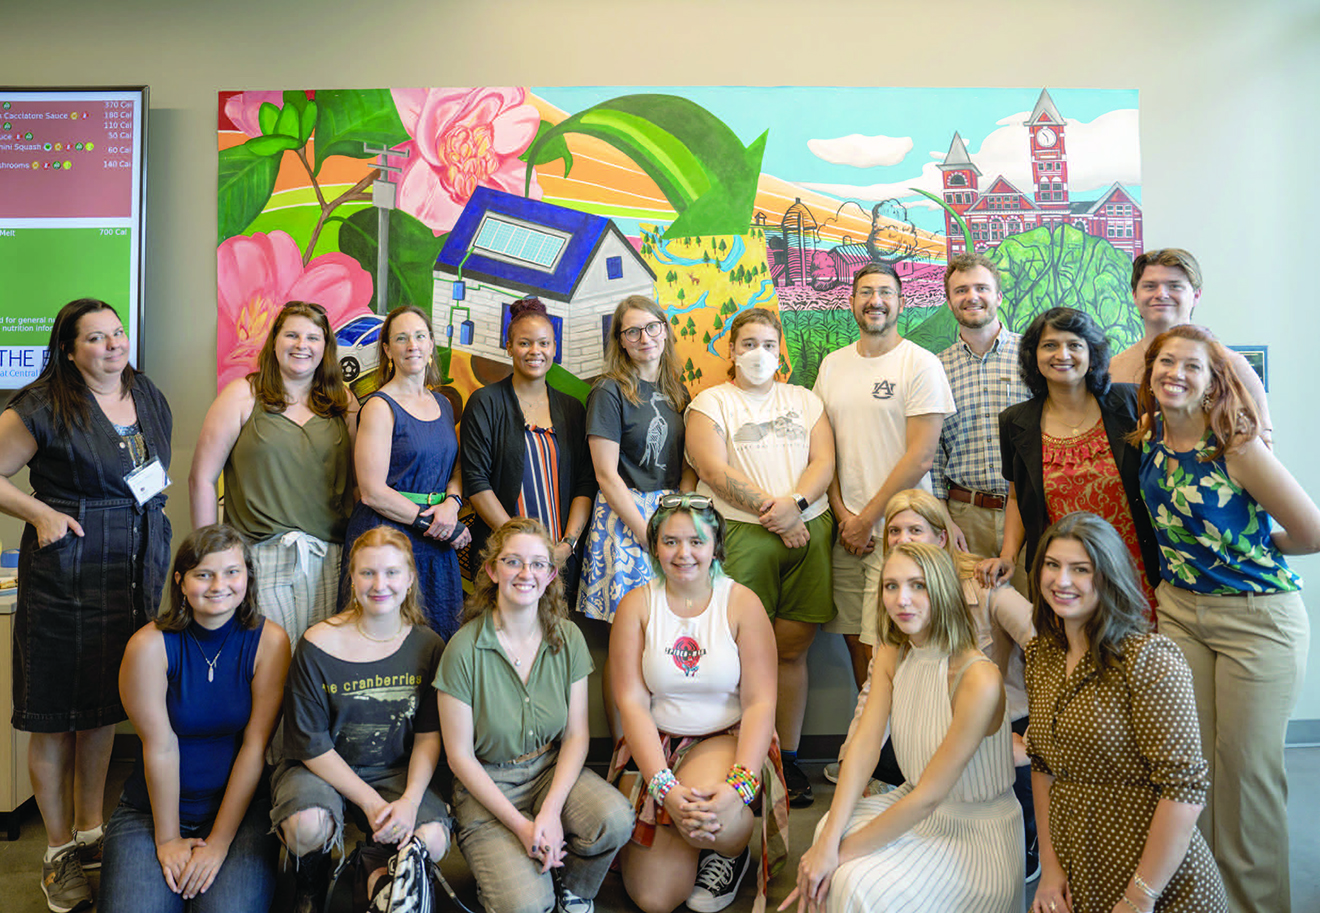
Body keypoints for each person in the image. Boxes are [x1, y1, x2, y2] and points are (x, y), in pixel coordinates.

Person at [1130, 325, 1320, 913]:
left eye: (1192, 366)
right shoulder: (1150, 437)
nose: (1176, 374)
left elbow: (1311, 533)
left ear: (1215, 382)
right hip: (1183, 613)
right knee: (1195, 769)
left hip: (1256, 619)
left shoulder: (1239, 449)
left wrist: (1249, 549)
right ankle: (1207, 901)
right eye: (1166, 362)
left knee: (1247, 777)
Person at [0, 298, 173, 913]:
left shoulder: (143, 391)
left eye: (118, 333)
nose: (112, 345)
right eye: (96, 338)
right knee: (54, 713)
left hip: (133, 568)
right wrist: (41, 512)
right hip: (67, 569)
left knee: (101, 707)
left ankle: (92, 828)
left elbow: (155, 474)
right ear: (69, 351)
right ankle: (56, 853)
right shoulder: (41, 406)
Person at [786, 542, 1023, 913]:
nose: (902, 599)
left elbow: (930, 795)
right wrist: (828, 843)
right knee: (826, 831)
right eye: (891, 586)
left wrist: (835, 857)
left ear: (942, 590)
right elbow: (864, 748)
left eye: (918, 585)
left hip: (974, 836)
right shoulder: (894, 653)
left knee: (852, 880)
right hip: (916, 806)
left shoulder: (978, 676)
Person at [1025, 511, 1227, 913]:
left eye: (1080, 569)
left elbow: (1183, 791)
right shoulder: (1041, 656)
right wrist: (1049, 869)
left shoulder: (1149, 660)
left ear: (1109, 576)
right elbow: (1043, 766)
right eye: (1052, 565)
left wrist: (1139, 897)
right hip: (1076, 866)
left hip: (1157, 877)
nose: (1061, 581)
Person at [834, 490, 1038, 879]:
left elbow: (1049, 652)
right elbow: (872, 697)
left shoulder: (984, 584)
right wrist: (850, 760)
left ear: (942, 538)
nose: (904, 539)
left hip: (999, 728)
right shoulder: (896, 603)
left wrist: (1033, 739)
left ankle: (1026, 838)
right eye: (894, 531)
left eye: (916, 529)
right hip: (932, 725)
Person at [436, 518, 633, 913]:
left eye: (538, 564)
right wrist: (524, 826)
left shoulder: (567, 637)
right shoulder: (462, 649)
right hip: (487, 785)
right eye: (513, 562)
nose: (526, 573)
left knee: (615, 819)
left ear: (550, 575)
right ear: (492, 571)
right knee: (525, 906)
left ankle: (572, 887)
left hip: (546, 769)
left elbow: (577, 736)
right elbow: (459, 758)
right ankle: (517, 875)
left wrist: (549, 812)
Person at [685, 307, 835, 808]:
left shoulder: (806, 400)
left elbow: (823, 462)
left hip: (806, 528)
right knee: (734, 653)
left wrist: (797, 508)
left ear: (781, 353)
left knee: (791, 650)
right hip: (741, 532)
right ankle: (738, 761)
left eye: (768, 344)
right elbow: (710, 464)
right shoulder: (711, 402)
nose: (758, 353)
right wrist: (776, 511)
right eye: (748, 343)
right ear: (731, 351)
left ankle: (786, 760)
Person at [101, 524, 290, 913]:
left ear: (248, 578)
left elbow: (256, 748)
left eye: (232, 572)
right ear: (181, 582)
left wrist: (219, 843)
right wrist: (167, 840)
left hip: (237, 812)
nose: (219, 585)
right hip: (150, 811)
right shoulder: (149, 645)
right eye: (204, 574)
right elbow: (161, 746)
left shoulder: (270, 642)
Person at [609, 494, 782, 913]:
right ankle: (689, 837)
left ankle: (730, 851)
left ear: (716, 547)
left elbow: (761, 702)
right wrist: (662, 786)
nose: (683, 553)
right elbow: (631, 703)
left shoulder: (741, 602)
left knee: (711, 815)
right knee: (654, 899)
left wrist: (740, 786)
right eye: (670, 542)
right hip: (659, 742)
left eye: (696, 541)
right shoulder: (637, 604)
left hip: (726, 737)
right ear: (655, 548)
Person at [271, 526, 451, 913]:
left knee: (432, 838)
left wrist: (409, 801)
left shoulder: (428, 645)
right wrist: (370, 803)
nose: (379, 584)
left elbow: (429, 735)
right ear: (351, 579)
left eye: (391, 573)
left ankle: (376, 868)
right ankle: (312, 882)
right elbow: (311, 742)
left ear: (409, 580)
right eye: (367, 573)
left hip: (395, 770)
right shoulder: (316, 643)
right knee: (307, 826)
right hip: (321, 768)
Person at [814, 264, 954, 699]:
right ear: (852, 302)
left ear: (900, 302)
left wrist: (868, 519)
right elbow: (824, 450)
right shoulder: (832, 366)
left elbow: (921, 455)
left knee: (897, 641)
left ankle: (902, 755)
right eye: (866, 292)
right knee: (856, 637)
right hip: (846, 531)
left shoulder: (920, 363)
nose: (875, 300)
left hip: (901, 531)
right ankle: (871, 746)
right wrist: (843, 516)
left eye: (886, 293)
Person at [190, 300, 356, 645]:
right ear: (275, 341)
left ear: (325, 348)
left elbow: (360, 485)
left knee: (318, 668)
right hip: (258, 556)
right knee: (267, 667)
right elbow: (202, 479)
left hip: (331, 557)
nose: (301, 345)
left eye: (313, 338)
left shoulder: (344, 402)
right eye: (291, 335)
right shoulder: (242, 396)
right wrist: (210, 557)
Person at [982, 307, 1159, 614]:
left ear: (1092, 353)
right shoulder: (1016, 422)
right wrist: (1008, 555)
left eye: (1075, 345)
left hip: (1134, 569)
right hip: (1062, 580)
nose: (1062, 354)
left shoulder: (1130, 401)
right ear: (1033, 355)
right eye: (1050, 345)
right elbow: (1015, 497)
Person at [460, 296, 596, 606]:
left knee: (555, 643)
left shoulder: (572, 409)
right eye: (524, 343)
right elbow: (476, 482)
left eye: (544, 343)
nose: (535, 351)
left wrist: (567, 546)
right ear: (508, 347)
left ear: (554, 348)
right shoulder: (485, 403)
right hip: (501, 556)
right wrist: (520, 548)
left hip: (559, 560)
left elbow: (585, 484)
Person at [345, 304, 469, 640]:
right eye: (401, 338)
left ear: (431, 344)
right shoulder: (379, 406)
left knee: (438, 641)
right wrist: (434, 523)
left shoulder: (443, 404)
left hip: (436, 541)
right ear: (387, 350)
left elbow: (455, 465)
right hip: (387, 539)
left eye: (419, 336)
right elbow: (371, 491)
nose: (411, 345)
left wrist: (453, 503)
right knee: (386, 643)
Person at [578, 295, 693, 624]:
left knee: (674, 626)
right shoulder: (608, 391)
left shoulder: (677, 391)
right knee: (632, 631)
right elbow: (605, 475)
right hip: (626, 516)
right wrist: (647, 533)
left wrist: (680, 516)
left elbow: (687, 465)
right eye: (633, 332)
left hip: (672, 514)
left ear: (665, 331)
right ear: (620, 342)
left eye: (652, 327)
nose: (645, 338)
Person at [1108, 248, 1271, 444]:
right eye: (1150, 286)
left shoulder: (1233, 367)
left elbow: (1263, 447)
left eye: (1175, 286)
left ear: (1196, 295)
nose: (1161, 294)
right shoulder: (1111, 370)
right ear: (1135, 296)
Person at [931, 253, 1030, 572]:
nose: (971, 296)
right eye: (960, 290)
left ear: (998, 296)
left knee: (1032, 616)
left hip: (1031, 512)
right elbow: (933, 457)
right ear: (949, 301)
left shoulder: (1033, 357)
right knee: (971, 616)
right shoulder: (935, 368)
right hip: (964, 518)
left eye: (981, 288)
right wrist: (945, 521)